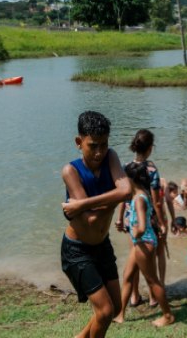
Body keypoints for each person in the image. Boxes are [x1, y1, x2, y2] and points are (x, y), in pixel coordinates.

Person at [60, 111, 132, 337]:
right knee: (105, 311)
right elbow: (90, 220)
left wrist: (82, 205)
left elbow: (127, 191)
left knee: (117, 307)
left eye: (104, 144)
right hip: (77, 250)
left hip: (102, 245)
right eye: (93, 146)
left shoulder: (111, 156)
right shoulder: (71, 171)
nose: (100, 152)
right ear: (78, 142)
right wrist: (116, 196)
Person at [114, 162, 174, 327]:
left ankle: (168, 315)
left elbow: (141, 226)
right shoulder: (138, 195)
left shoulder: (139, 198)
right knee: (127, 276)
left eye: (125, 178)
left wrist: (135, 231)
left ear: (131, 179)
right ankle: (120, 314)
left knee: (153, 281)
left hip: (144, 243)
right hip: (139, 243)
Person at [128, 129, 175, 307]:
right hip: (149, 217)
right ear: (149, 148)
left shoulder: (126, 167)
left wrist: (120, 219)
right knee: (155, 254)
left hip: (131, 216)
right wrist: (163, 223)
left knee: (136, 254)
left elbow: (125, 197)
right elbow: (156, 201)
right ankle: (155, 295)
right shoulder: (151, 168)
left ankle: (134, 296)